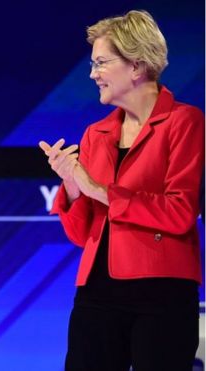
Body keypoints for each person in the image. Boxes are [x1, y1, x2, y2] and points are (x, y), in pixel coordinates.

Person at [39, 10, 204, 371]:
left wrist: (98, 189)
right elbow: (81, 233)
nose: (92, 74)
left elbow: (179, 212)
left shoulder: (185, 122)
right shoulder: (95, 134)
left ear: (137, 65)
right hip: (97, 293)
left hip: (163, 292)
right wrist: (71, 185)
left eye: (101, 63)